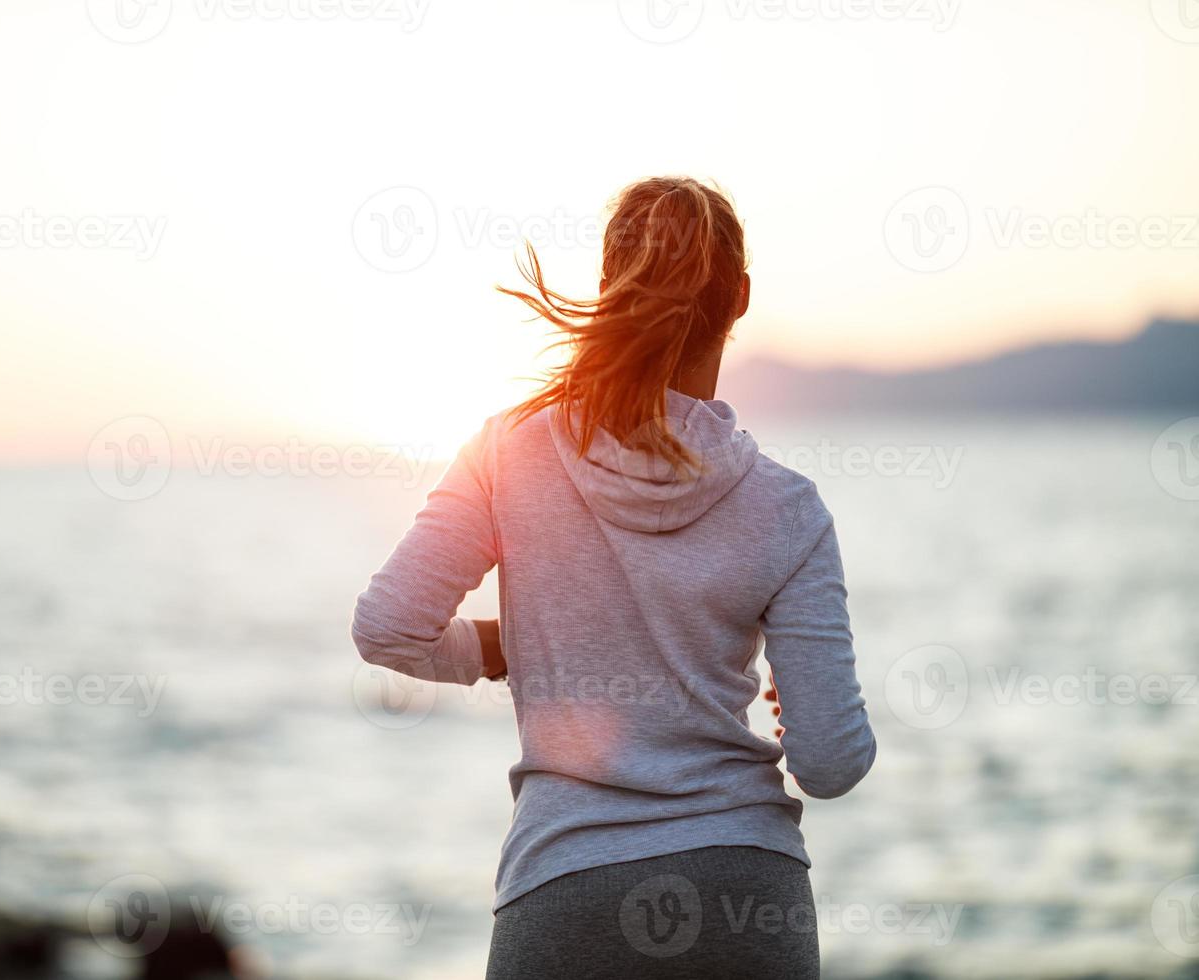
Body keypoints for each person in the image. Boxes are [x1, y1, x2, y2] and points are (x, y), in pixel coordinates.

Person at [351, 176, 876, 978]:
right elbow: (832, 764)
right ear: (738, 299)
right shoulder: (789, 508)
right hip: (746, 894)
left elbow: (389, 628)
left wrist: (502, 648)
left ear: (608, 288)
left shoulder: (507, 451)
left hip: (566, 891)